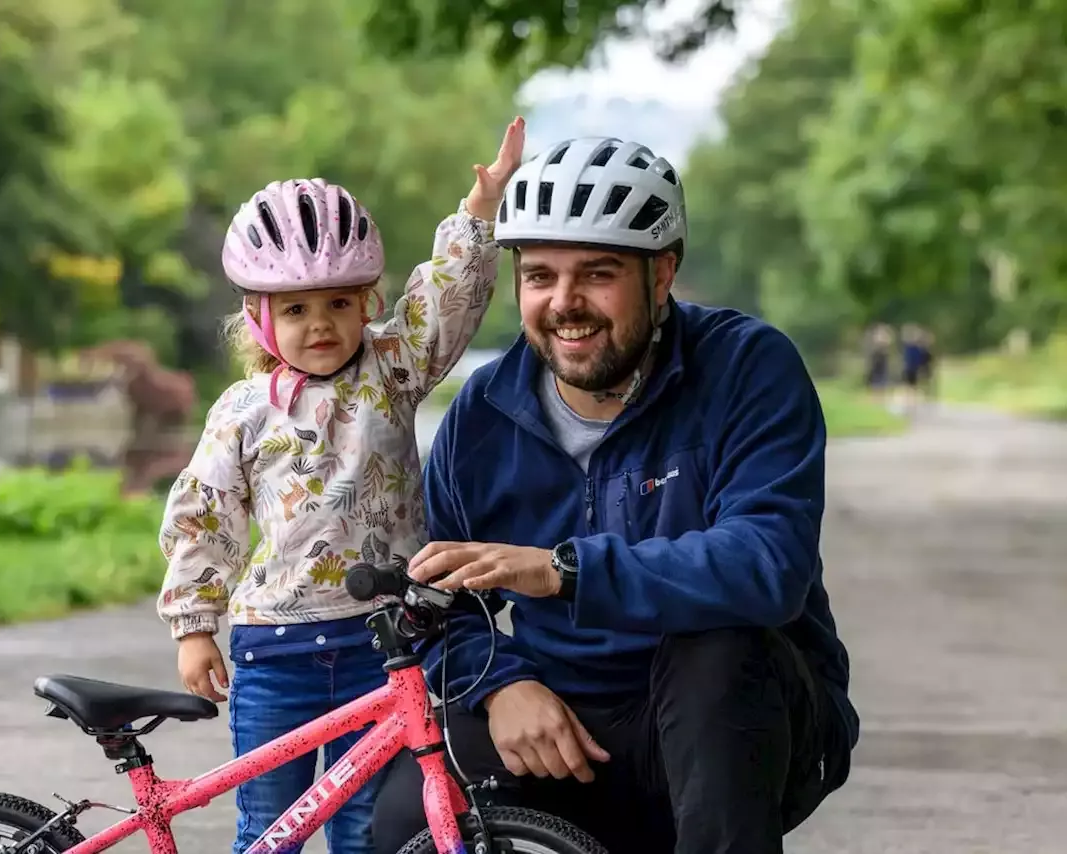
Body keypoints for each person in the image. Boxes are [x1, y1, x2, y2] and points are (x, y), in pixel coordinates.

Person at [370, 136, 859, 854]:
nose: (565, 303)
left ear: (662, 273)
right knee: (409, 815)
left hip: (738, 723)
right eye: (539, 276)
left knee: (716, 649)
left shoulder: (748, 368)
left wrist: (561, 569)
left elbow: (767, 564)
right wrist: (502, 685)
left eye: (597, 274)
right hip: (563, 722)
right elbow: (443, 596)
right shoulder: (483, 413)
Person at [155, 117, 525, 854]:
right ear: (259, 320)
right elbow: (204, 515)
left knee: (365, 832)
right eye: (295, 309)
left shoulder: (390, 371)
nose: (319, 323)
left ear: (366, 303)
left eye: (338, 303)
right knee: (271, 829)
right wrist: (194, 626)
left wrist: (477, 214)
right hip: (274, 649)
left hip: (381, 643)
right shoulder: (243, 409)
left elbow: (444, 304)